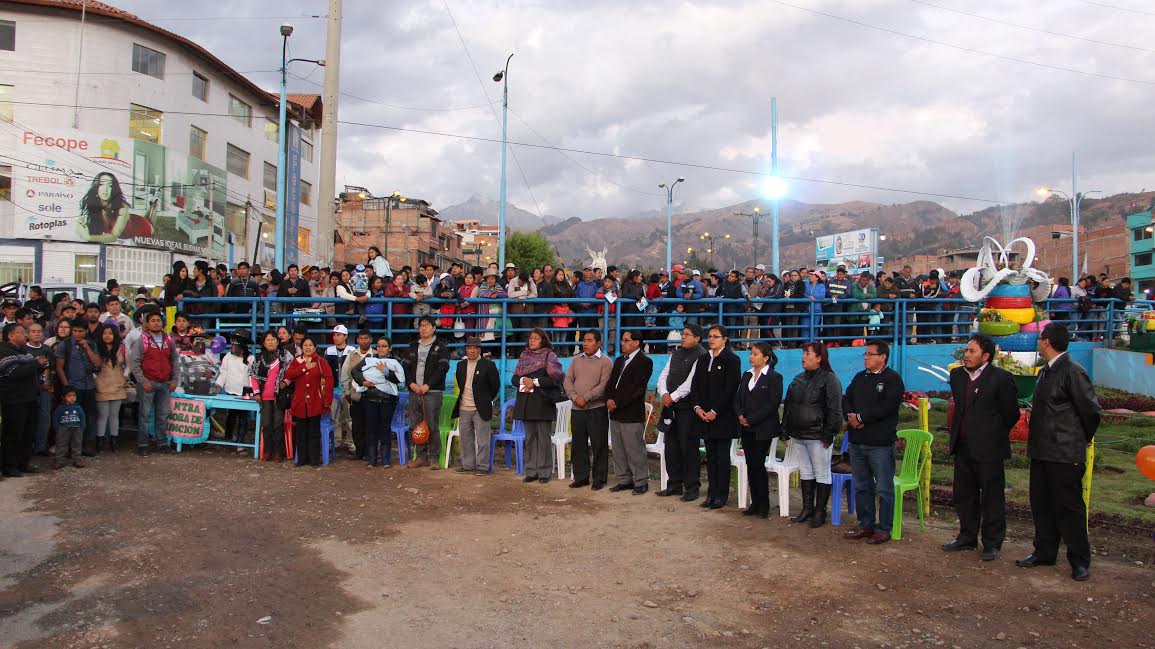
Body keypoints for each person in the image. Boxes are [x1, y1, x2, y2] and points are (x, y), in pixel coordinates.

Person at [1017, 324, 1102, 581]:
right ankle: (1044, 550)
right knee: (1041, 504)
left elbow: (1091, 411)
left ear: (1047, 342)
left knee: (1069, 507)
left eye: (1040, 339)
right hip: (1042, 450)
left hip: (1065, 452)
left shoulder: (1073, 372)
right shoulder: (1046, 371)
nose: (1038, 343)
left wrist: (1080, 438)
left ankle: (1079, 560)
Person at [940, 334, 1020, 559]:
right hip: (963, 447)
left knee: (992, 497)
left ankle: (992, 543)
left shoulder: (1001, 378)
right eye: (966, 351)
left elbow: (1011, 414)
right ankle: (967, 536)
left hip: (989, 449)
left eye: (972, 351)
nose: (966, 355)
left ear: (986, 356)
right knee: (964, 495)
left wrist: (992, 433)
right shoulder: (957, 376)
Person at [841, 339, 906, 544]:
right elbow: (847, 398)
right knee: (862, 486)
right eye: (865, 354)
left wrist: (861, 418)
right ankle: (865, 524)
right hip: (858, 441)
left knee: (884, 488)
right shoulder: (860, 377)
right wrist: (850, 415)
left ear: (882, 357)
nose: (866, 358)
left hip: (879, 443)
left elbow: (886, 408)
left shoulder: (892, 379)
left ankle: (884, 527)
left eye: (870, 354)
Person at [782, 342, 843, 527]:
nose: (804, 357)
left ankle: (820, 511)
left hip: (818, 436)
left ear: (819, 358)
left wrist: (828, 433)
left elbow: (835, 409)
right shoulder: (799, 378)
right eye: (803, 353)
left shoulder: (830, 379)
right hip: (799, 435)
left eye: (808, 354)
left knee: (822, 472)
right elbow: (789, 407)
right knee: (806, 472)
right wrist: (785, 429)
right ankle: (807, 508)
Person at [689, 324, 742, 509]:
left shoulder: (732, 360)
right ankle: (711, 494)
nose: (711, 339)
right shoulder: (703, 359)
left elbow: (730, 389)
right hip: (703, 416)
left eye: (716, 336)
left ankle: (721, 495)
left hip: (722, 417)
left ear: (725, 339)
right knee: (710, 457)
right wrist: (697, 407)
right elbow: (694, 386)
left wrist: (714, 411)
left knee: (722, 457)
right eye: (709, 336)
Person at [654, 324, 708, 500]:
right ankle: (674, 484)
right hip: (671, 406)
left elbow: (691, 383)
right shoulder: (676, 353)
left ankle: (691, 487)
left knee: (688, 448)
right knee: (671, 447)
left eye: (687, 335)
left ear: (697, 338)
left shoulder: (701, 355)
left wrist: (674, 396)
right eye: (682, 334)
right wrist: (664, 393)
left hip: (687, 408)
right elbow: (663, 376)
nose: (683, 337)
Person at [734, 341, 784, 518]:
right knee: (751, 464)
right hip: (746, 427)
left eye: (755, 354)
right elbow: (739, 397)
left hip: (763, 428)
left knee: (758, 465)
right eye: (751, 354)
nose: (751, 357)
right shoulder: (746, 375)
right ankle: (755, 503)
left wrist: (751, 419)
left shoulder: (774, 377)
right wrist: (740, 415)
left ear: (766, 358)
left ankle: (764, 505)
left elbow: (772, 404)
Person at [511, 328, 564, 483]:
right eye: (530, 338)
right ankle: (531, 471)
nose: (532, 341)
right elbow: (514, 379)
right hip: (526, 403)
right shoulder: (524, 356)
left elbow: (556, 379)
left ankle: (544, 472)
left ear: (543, 340)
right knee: (530, 439)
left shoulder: (550, 356)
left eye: (536, 338)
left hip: (543, 403)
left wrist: (533, 381)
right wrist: (523, 380)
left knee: (543, 439)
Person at [606, 330, 655, 495]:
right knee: (618, 449)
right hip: (615, 411)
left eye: (626, 340)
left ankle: (640, 481)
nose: (622, 343)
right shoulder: (619, 360)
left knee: (634, 449)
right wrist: (608, 399)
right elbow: (611, 382)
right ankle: (624, 480)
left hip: (631, 412)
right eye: (622, 340)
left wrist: (617, 402)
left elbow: (637, 389)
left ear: (636, 343)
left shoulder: (644, 362)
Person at [564, 330, 614, 489]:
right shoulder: (576, 360)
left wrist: (585, 397)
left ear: (599, 343)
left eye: (590, 340)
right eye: (584, 340)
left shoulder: (606, 362)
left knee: (599, 444)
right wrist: (574, 397)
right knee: (578, 444)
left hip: (596, 408)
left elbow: (604, 386)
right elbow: (567, 380)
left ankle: (599, 478)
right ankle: (581, 477)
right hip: (577, 409)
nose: (585, 343)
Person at [400, 316, 451, 468]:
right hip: (415, 390)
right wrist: (411, 384)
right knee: (415, 424)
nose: (423, 328)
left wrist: (428, 385)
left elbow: (443, 368)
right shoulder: (412, 346)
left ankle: (434, 457)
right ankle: (420, 456)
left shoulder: (440, 347)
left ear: (434, 328)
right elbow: (406, 368)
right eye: (421, 325)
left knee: (432, 424)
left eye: (427, 325)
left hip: (433, 391)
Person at [0, 323, 49, 476]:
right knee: (14, 434)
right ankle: (10, 466)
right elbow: (14, 372)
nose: (25, 334)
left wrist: (40, 366)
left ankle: (23, 463)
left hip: (30, 398)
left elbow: (30, 371)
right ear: (11, 336)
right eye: (21, 332)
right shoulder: (5, 352)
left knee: (28, 433)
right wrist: (35, 363)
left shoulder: (24, 352)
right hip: (14, 400)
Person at [130, 311, 179, 456]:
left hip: (165, 383)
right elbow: (134, 363)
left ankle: (162, 443)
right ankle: (143, 444)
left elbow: (175, 360)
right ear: (147, 323)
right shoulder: (142, 340)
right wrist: (143, 381)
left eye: (158, 320)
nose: (156, 322)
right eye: (153, 320)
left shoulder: (169, 340)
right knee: (144, 415)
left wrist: (175, 379)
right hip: (148, 383)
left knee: (162, 415)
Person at [352, 337, 405, 468]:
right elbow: (354, 371)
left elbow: (400, 380)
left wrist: (386, 372)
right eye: (379, 346)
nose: (381, 348)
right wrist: (363, 382)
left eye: (384, 346)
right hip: (369, 399)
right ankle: (372, 460)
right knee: (370, 428)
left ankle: (386, 460)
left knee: (385, 429)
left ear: (390, 348)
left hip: (387, 400)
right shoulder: (369, 359)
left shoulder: (395, 362)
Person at [451, 336, 500, 474]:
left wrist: (485, 399)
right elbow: (461, 385)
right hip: (464, 407)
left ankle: (483, 467)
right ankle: (468, 465)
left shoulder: (488, 365)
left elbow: (495, 386)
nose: (472, 351)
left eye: (475, 348)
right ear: (466, 349)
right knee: (466, 439)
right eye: (470, 348)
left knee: (483, 439)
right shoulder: (460, 366)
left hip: (481, 408)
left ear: (479, 349)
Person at [283, 338, 334, 467]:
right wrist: (304, 368)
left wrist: (327, 400)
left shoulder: (321, 361)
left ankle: (314, 459)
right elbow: (289, 374)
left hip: (316, 401)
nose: (307, 347)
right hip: (300, 402)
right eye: (305, 345)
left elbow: (329, 380)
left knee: (314, 432)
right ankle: (302, 459)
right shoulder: (297, 361)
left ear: (315, 348)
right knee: (300, 432)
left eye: (310, 345)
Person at [55, 316, 101, 456]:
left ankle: (88, 445)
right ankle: (71, 447)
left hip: (89, 386)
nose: (77, 334)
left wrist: (87, 348)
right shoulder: (65, 345)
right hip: (73, 386)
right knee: (71, 419)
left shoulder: (91, 344)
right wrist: (67, 386)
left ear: (86, 331)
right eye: (74, 331)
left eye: (80, 331)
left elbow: (97, 363)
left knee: (90, 417)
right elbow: (59, 367)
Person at [249, 330, 294, 462]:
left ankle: (279, 453)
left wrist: (285, 382)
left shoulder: (286, 356)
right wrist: (256, 392)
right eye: (267, 340)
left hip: (279, 396)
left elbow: (291, 373)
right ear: (263, 343)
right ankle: (268, 451)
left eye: (273, 339)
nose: (270, 342)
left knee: (277, 424)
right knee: (267, 424)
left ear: (278, 341)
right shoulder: (258, 358)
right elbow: (253, 377)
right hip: (264, 397)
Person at [339, 330, 377, 457]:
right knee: (356, 425)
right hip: (355, 395)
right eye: (361, 338)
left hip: (372, 395)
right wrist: (346, 392)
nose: (363, 341)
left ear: (371, 340)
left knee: (371, 424)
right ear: (357, 340)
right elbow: (344, 374)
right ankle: (359, 451)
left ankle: (370, 452)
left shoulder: (376, 355)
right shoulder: (351, 355)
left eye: (366, 338)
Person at [93, 323, 127, 452]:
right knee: (102, 415)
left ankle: (114, 441)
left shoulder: (122, 347)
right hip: (101, 384)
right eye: (105, 333)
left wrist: (125, 377)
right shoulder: (96, 348)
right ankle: (100, 441)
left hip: (117, 383)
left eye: (110, 333)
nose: (107, 336)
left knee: (114, 415)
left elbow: (128, 364)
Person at [216, 333, 253, 445]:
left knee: (243, 417)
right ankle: (228, 436)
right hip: (230, 390)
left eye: (235, 346)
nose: (232, 348)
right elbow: (223, 373)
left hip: (245, 392)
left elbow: (251, 377)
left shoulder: (251, 358)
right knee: (231, 415)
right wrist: (218, 386)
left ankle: (240, 442)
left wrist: (254, 391)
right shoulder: (228, 356)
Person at [325, 324, 354, 451]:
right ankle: (335, 441)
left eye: (339, 335)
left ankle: (350, 442)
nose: (336, 337)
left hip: (348, 389)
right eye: (334, 335)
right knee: (334, 417)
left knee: (349, 417)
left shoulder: (352, 351)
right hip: (333, 389)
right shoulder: (329, 351)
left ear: (345, 336)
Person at [52, 388, 87, 469]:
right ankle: (59, 461)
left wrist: (82, 428)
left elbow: (82, 418)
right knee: (61, 444)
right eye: (69, 396)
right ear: (63, 397)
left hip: (77, 429)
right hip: (63, 429)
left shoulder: (78, 407)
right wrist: (57, 429)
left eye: (74, 395)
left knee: (77, 444)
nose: (72, 398)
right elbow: (56, 418)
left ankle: (77, 459)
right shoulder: (60, 408)